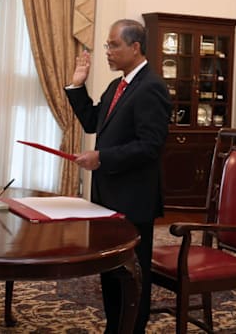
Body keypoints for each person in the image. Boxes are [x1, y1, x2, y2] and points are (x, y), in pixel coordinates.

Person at [65, 19, 171, 334]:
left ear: (135, 47)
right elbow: (93, 122)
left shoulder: (151, 87)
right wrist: (77, 86)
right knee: (111, 271)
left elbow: (150, 146)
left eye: (114, 45)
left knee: (132, 275)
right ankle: (115, 327)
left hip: (133, 199)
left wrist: (102, 157)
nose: (108, 52)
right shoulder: (117, 85)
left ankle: (132, 329)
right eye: (107, 45)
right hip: (108, 196)